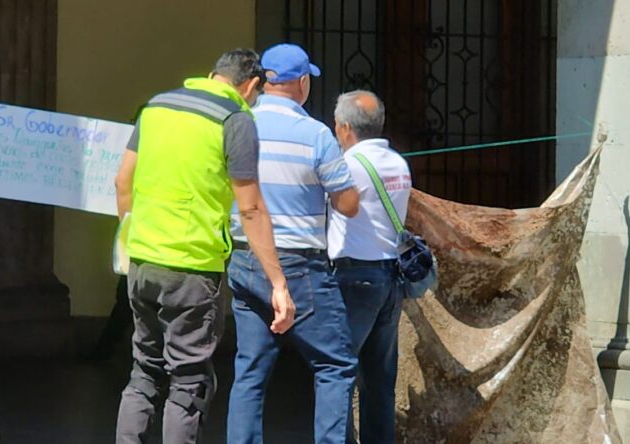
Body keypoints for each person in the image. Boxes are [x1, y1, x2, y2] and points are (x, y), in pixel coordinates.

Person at [114, 48, 295, 444]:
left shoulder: (157, 106)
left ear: (213, 75)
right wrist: (278, 282)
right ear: (250, 86)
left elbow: (122, 182)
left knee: (144, 371)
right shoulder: (235, 119)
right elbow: (249, 207)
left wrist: (134, 238)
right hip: (192, 269)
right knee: (189, 380)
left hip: (142, 260)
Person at [226, 43, 360, 444]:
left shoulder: (238, 124)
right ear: (302, 83)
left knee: (249, 370)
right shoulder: (316, 135)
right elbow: (349, 204)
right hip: (298, 266)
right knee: (335, 363)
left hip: (245, 259)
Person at [327, 91, 412, 444]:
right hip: (390, 277)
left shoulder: (348, 165)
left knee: (337, 374)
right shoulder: (398, 163)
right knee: (379, 381)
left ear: (345, 128)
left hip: (353, 276)